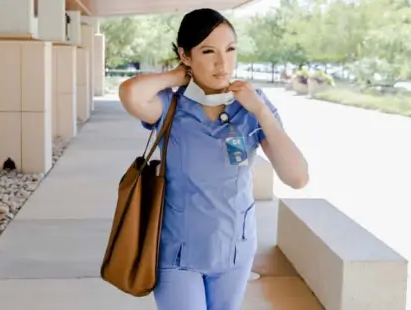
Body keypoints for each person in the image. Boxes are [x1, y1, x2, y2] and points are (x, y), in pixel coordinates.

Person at [118, 8, 309, 310]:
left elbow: (297, 178)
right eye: (208, 51)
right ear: (186, 54)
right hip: (178, 254)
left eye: (230, 49)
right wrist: (178, 75)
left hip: (235, 253)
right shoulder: (171, 106)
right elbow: (130, 93)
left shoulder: (251, 106)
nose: (223, 63)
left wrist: (260, 111)